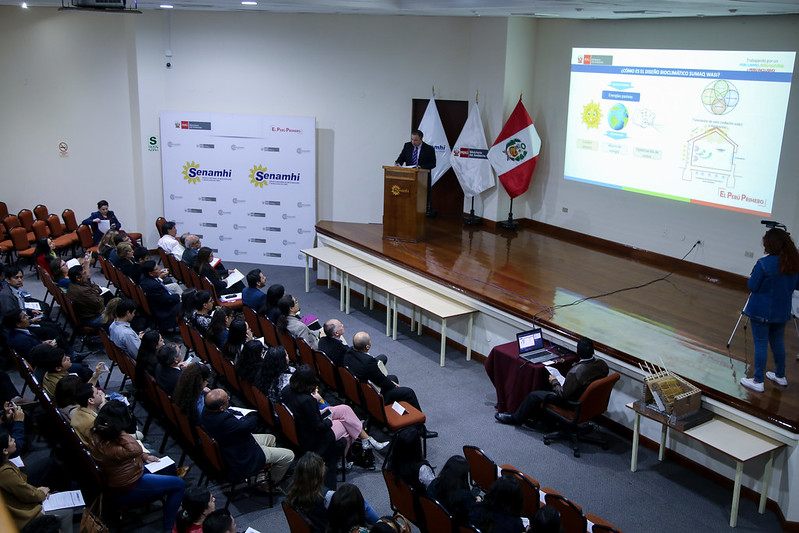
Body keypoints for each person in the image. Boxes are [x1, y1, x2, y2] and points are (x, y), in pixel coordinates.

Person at [89, 400, 185, 533]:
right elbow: (135, 450)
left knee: (167, 465)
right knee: (179, 484)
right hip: (129, 486)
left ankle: (175, 502)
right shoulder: (109, 443)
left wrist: (145, 457)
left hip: (130, 472)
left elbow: (130, 453)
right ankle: (169, 528)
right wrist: (120, 431)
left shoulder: (97, 433)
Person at [495, 337, 609, 425]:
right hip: (587, 401)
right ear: (593, 352)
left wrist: (554, 381)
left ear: (577, 351)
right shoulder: (602, 365)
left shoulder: (575, 373)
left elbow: (563, 395)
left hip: (571, 402)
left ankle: (516, 418)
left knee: (533, 395)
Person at [200, 388, 294, 494]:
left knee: (271, 438)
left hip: (233, 442)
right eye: (227, 400)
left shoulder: (206, 412)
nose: (229, 399)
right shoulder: (224, 421)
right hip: (243, 454)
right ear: (221, 408)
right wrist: (253, 415)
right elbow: (247, 426)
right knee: (289, 455)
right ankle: (271, 483)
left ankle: (261, 477)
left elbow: (233, 418)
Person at [740, 227, 799, 392]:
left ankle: (758, 380)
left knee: (760, 344)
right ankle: (780, 375)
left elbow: (752, 286)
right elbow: (797, 285)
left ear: (770, 244)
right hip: (782, 311)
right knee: (778, 342)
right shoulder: (794, 263)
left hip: (761, 311)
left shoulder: (764, 263)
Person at [0, 427, 73, 532]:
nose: (14, 440)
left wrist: (39, 490)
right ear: (5, 450)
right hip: (25, 516)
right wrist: (42, 492)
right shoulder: (5, 473)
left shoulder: (5, 465)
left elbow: (23, 487)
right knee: (67, 511)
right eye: (11, 440)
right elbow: (27, 494)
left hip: (24, 504)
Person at [286, 452, 380, 532]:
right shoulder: (326, 497)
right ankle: (380, 525)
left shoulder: (292, 491)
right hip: (331, 528)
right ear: (319, 472)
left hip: (316, 527)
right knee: (360, 501)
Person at [426, 455, 478, 527]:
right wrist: (477, 501)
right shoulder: (464, 496)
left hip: (435, 521)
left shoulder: (434, 483)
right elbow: (472, 514)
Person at [382, 424, 435, 493]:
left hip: (401, 497)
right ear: (417, 446)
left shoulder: (391, 463)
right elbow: (433, 490)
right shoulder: (423, 469)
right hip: (419, 498)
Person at [140, 261, 183, 331]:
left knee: (175, 286)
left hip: (160, 298)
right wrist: (179, 297)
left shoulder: (144, 277)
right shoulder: (153, 286)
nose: (159, 269)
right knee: (187, 301)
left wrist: (158, 275)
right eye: (157, 269)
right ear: (150, 273)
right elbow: (168, 300)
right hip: (164, 310)